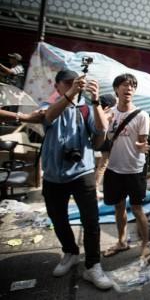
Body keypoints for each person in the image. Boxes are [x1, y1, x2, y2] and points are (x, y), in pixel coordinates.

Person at [41, 69, 112, 289]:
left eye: (76, 83)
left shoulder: (86, 109)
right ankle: (70, 252)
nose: (74, 86)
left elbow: (101, 129)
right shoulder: (47, 106)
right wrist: (71, 93)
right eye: (68, 83)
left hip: (83, 173)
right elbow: (48, 117)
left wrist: (95, 100)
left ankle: (92, 265)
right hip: (53, 175)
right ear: (57, 86)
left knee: (91, 220)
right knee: (58, 218)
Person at [102, 74, 150, 263]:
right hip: (114, 168)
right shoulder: (109, 113)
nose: (129, 88)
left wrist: (141, 146)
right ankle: (122, 241)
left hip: (135, 170)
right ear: (116, 89)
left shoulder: (142, 115)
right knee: (118, 207)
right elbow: (101, 137)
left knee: (138, 209)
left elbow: (142, 141)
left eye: (132, 86)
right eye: (125, 85)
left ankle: (146, 245)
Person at [94, 94, 117, 193]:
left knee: (102, 164)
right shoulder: (108, 114)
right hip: (106, 142)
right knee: (103, 165)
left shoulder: (96, 111)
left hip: (101, 141)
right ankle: (95, 188)